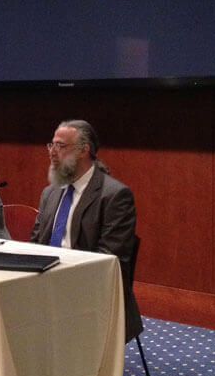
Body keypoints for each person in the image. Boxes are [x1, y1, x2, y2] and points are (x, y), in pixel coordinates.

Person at [30, 119, 143, 343]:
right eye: (51, 145)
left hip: (88, 287)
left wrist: (60, 277)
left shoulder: (114, 195)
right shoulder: (50, 193)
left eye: (60, 146)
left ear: (84, 150)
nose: (52, 152)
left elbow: (109, 260)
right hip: (47, 281)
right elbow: (35, 243)